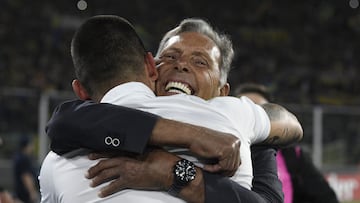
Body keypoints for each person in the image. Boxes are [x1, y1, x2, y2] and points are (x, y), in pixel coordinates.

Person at [40, 16, 302, 203]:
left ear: (223, 92)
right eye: (170, 56)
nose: (182, 66)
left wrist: (173, 173)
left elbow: (289, 124)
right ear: (152, 68)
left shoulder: (234, 116)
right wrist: (190, 137)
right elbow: (65, 120)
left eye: (200, 62)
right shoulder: (79, 125)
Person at [235, 82, 339, 203]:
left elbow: (326, 197)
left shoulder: (294, 156)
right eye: (245, 109)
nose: (253, 117)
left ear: (273, 116)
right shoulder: (216, 151)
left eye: (260, 111)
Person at [13, 135, 40, 203]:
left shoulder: (21, 157)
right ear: (26, 146)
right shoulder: (23, 159)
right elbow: (26, 176)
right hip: (25, 195)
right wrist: (32, 192)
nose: (32, 147)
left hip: (21, 193)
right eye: (31, 145)